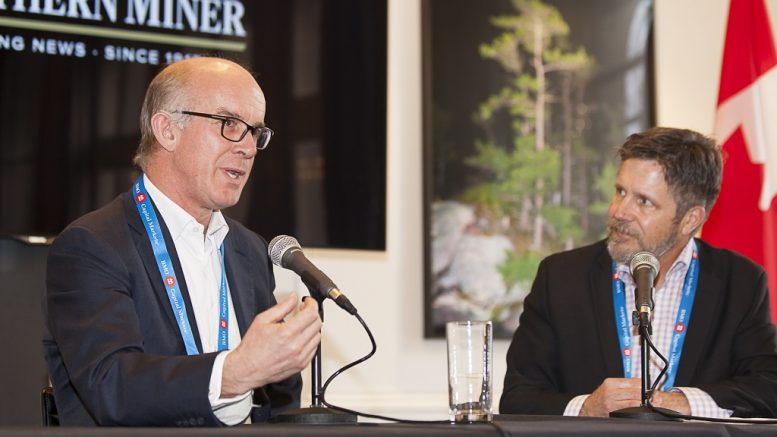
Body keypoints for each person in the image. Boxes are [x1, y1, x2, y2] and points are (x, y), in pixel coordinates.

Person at [43, 57, 323, 426]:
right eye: (229, 124)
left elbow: (279, 398)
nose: (249, 148)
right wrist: (233, 372)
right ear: (167, 130)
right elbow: (111, 384)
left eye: (255, 132)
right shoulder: (91, 246)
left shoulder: (250, 250)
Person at [500, 127, 777, 418]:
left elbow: (768, 388)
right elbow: (518, 397)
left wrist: (679, 403)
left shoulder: (740, 282)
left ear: (689, 219)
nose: (619, 211)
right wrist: (586, 408)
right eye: (620, 192)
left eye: (643, 201)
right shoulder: (560, 278)